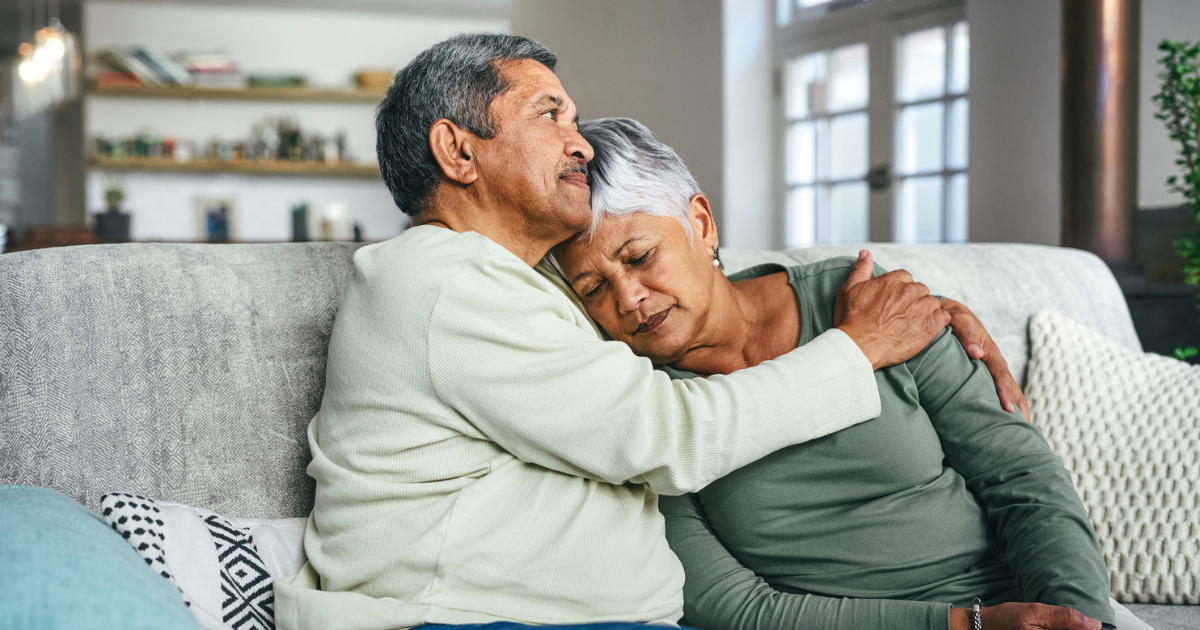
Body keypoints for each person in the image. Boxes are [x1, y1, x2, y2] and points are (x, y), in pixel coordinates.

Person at [274, 34, 1017, 630]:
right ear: (458, 150)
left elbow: (694, 292)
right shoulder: (444, 281)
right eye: (550, 115)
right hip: (467, 619)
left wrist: (911, 306)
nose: (581, 144)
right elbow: (668, 433)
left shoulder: (515, 285)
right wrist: (861, 346)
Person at [550, 117, 1154, 630]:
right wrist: (964, 624)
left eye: (639, 256)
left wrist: (1070, 613)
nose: (629, 298)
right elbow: (732, 606)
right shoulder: (637, 403)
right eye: (594, 286)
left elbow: (1022, 475)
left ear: (701, 224)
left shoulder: (867, 300)